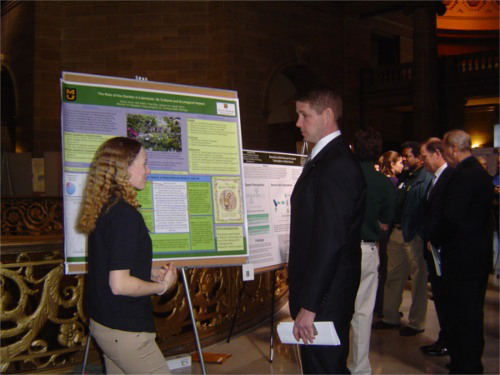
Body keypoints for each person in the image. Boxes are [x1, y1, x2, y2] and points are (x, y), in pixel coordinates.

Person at [78, 137, 177, 374]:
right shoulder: (125, 216)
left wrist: (148, 273)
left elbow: (111, 263)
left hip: (105, 325)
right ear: (125, 169)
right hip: (126, 331)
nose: (148, 170)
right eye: (144, 163)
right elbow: (120, 284)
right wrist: (162, 286)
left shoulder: (106, 206)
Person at [288, 86, 366, 374]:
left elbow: (330, 241)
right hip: (322, 291)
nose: (298, 122)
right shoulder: (325, 159)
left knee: (325, 368)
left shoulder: (337, 165)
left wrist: (311, 305)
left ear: (328, 114)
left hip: (326, 296)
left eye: (304, 115)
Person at [439, 130, 494, 373]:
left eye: (444, 150)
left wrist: (435, 233)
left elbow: (452, 217)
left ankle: (467, 365)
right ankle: (466, 361)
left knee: (465, 315)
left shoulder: (463, 176)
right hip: (476, 256)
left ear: (452, 148)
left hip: (464, 258)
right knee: (469, 313)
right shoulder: (478, 173)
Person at [373, 141, 432, 336]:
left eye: (408, 156)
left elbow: (422, 208)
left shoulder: (426, 178)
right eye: (403, 156)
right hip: (397, 232)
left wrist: (420, 232)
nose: (404, 159)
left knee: (417, 281)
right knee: (393, 276)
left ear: (419, 157)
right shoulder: (406, 177)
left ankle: (416, 322)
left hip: (413, 234)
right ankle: (390, 317)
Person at [350, 128, 395, 375]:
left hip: (343, 250)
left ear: (354, 149)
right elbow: (386, 220)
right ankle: (359, 367)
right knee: (363, 310)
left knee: (338, 308)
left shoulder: (346, 176)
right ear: (378, 153)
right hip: (367, 248)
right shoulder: (383, 182)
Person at [419, 138, 453, 357]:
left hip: (444, 250)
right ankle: (444, 337)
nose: (423, 161)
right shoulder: (435, 178)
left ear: (437, 154)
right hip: (434, 249)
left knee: (447, 300)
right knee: (440, 298)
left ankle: (448, 340)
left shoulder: (449, 178)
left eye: (424, 156)